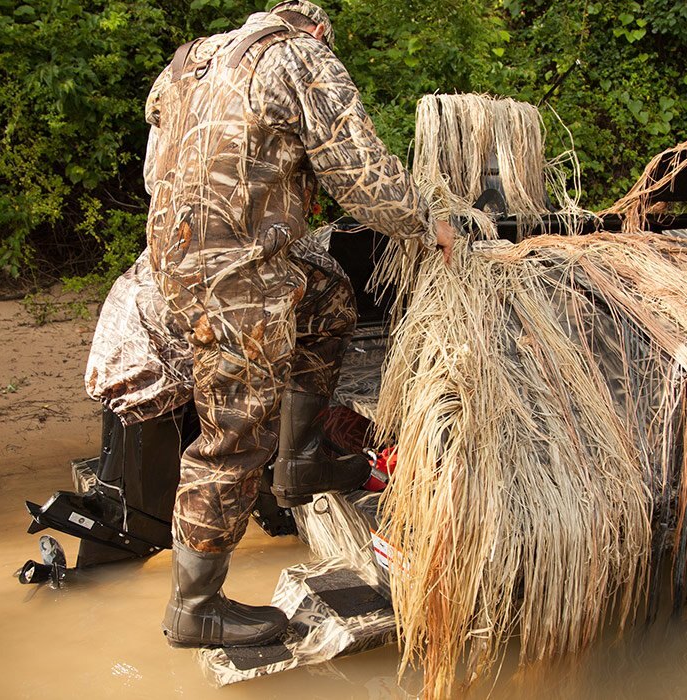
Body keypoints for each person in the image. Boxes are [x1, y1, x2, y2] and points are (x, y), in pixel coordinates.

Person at [143, 0, 454, 648]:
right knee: (232, 435)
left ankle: (301, 461)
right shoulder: (301, 56)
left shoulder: (187, 63)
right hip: (235, 277)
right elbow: (361, 175)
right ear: (316, 30)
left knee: (327, 300)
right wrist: (428, 223)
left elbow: (155, 173)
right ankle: (194, 607)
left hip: (175, 261)